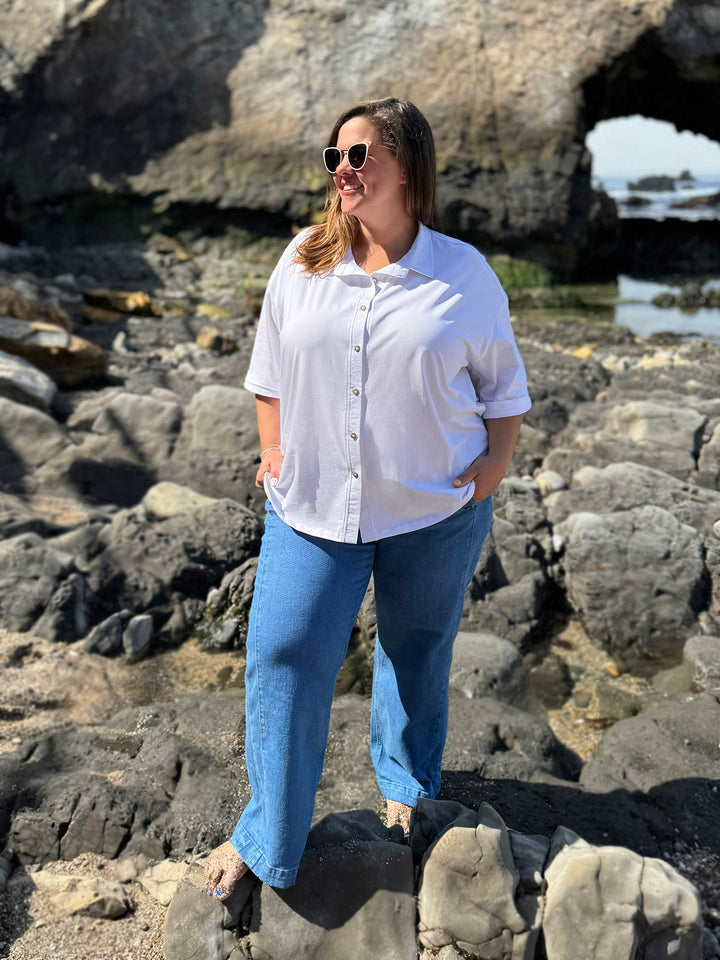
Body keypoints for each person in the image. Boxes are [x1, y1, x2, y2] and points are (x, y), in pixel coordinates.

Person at [203, 97, 531, 897]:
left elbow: (503, 388)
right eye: (335, 157)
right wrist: (273, 448)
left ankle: (406, 791)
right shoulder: (302, 260)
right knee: (283, 653)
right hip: (311, 507)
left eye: (359, 155)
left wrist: (494, 464)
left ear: (407, 166)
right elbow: (269, 370)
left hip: (434, 510)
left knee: (416, 652)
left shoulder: (464, 274)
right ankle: (267, 836)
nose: (342, 170)